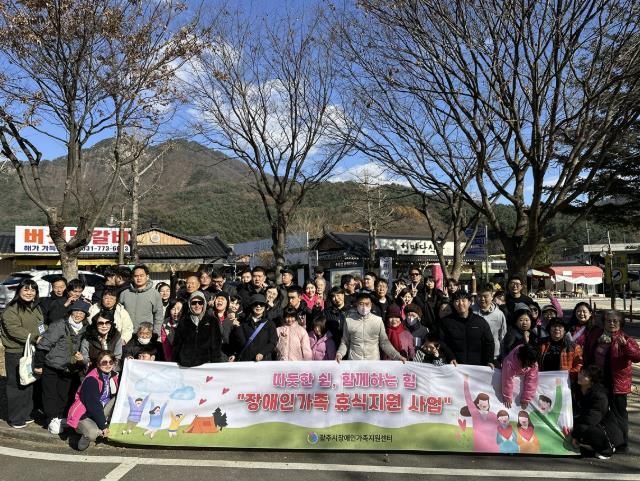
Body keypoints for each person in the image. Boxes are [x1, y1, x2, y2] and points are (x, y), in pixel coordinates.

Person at [582, 309, 640, 450]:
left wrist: (625, 346)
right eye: (608, 321)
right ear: (604, 323)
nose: (612, 323)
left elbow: (637, 357)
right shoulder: (597, 335)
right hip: (599, 381)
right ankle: (602, 441)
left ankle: (621, 444)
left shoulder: (625, 339)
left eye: (615, 321)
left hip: (617, 384)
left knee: (618, 414)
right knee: (599, 411)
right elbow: (588, 353)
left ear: (620, 323)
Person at [33, 299, 90, 435]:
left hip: (69, 368)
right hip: (52, 366)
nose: (78, 315)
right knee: (50, 395)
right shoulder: (59, 325)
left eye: (82, 313)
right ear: (71, 312)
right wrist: (39, 364)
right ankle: (51, 419)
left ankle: (59, 418)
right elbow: (43, 345)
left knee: (63, 395)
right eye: (76, 311)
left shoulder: (85, 329)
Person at [0, 279, 44, 428]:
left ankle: (26, 413)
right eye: (26, 289)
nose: (29, 293)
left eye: (32, 290)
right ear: (19, 291)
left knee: (28, 382)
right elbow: (14, 330)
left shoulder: (35, 307)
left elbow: (40, 326)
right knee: (16, 385)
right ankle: (16, 418)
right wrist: (35, 337)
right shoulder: (11, 310)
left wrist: (46, 334)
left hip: (32, 350)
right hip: (16, 352)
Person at [67, 350, 118, 451]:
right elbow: (93, 406)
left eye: (110, 362)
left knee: (117, 397)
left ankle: (101, 425)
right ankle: (85, 434)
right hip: (85, 414)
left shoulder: (114, 375)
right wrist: (103, 426)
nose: (108, 365)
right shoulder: (91, 379)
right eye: (104, 362)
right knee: (92, 433)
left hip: (102, 410)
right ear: (98, 364)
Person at [572, 365, 625, 459]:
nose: (580, 376)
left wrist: (574, 433)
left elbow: (591, 419)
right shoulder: (576, 388)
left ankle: (606, 449)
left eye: (584, 375)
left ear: (592, 380)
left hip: (605, 429)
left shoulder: (599, 395)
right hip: (588, 422)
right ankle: (588, 445)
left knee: (583, 428)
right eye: (580, 372)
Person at [335, 292, 406, 362]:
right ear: (357, 304)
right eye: (361, 304)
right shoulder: (349, 321)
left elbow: (384, 342)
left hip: (373, 362)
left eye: (367, 304)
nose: (364, 307)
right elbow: (345, 342)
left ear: (371, 305)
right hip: (354, 361)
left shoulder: (378, 321)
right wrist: (340, 354)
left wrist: (397, 356)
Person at [439, 291, 495, 367]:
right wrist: (450, 357)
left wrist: (489, 360)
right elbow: (442, 342)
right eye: (457, 301)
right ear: (453, 304)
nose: (460, 303)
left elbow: (489, 343)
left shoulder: (480, 322)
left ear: (469, 302)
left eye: (463, 300)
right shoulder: (446, 322)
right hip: (455, 366)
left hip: (477, 366)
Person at [172, 291, 223, 367]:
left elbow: (216, 345)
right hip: (186, 365)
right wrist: (175, 363)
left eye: (200, 302)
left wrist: (215, 365)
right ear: (189, 304)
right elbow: (177, 345)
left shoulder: (212, 321)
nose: (197, 305)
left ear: (204, 304)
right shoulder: (183, 321)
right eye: (194, 303)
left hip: (206, 364)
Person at [231, 294, 278, 362]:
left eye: (261, 304)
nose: (258, 306)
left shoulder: (270, 324)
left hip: (264, 361)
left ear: (265, 307)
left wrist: (262, 353)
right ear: (251, 306)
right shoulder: (243, 322)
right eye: (255, 304)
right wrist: (238, 328)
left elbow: (273, 342)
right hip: (246, 361)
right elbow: (241, 343)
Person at [120, 264, 164, 336]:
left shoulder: (154, 294)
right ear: (132, 278)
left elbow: (158, 316)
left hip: (146, 335)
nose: (139, 278)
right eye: (136, 276)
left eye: (141, 275)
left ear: (147, 277)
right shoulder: (124, 293)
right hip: (126, 334)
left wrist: (156, 334)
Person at [461, 374, 498, 453]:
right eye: (482, 404)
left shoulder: (493, 415)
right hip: (479, 449)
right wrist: (465, 382)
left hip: (494, 449)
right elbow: (468, 397)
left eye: (486, 403)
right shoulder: (475, 414)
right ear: (477, 404)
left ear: (488, 404)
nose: (484, 405)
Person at [472, 284, 507, 365]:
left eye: (485, 296)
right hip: (475, 356)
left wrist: (503, 357)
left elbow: (502, 337)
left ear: (492, 296)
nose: (482, 299)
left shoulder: (499, 314)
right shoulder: (470, 312)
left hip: (494, 357)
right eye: (479, 296)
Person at [501, 343, 539, 410]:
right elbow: (507, 380)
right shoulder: (509, 362)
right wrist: (507, 397)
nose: (528, 365)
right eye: (527, 363)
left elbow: (532, 381)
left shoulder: (533, 363)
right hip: (510, 368)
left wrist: (526, 399)